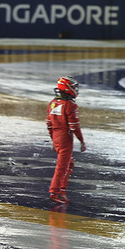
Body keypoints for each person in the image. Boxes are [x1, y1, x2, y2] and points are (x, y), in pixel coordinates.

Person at [46, 76, 86, 204]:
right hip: (65, 137)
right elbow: (74, 126)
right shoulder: (70, 105)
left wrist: (53, 139)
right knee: (62, 167)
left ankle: (62, 189)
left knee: (69, 164)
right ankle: (54, 192)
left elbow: (49, 124)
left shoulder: (52, 103)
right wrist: (81, 141)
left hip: (57, 136)